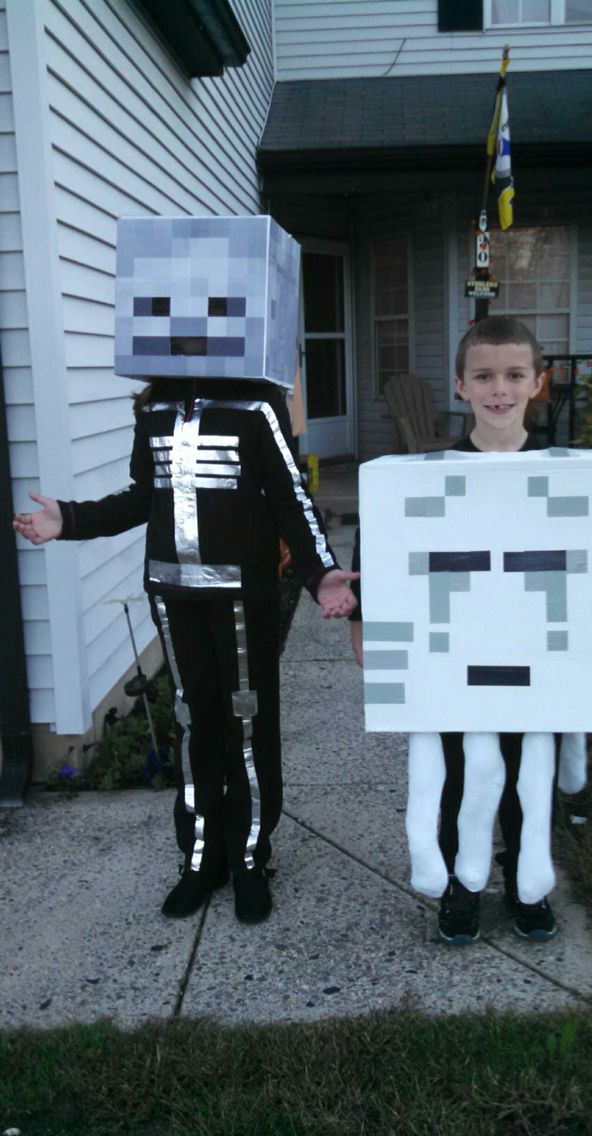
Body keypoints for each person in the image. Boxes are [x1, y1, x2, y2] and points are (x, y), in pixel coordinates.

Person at [14, 215, 358, 926]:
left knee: (248, 718)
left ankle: (253, 853)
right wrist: (68, 520)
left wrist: (323, 572)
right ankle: (202, 855)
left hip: (244, 595)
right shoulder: (155, 410)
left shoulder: (257, 408)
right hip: (172, 592)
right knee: (192, 719)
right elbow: (144, 496)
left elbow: (293, 496)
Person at [350, 316, 585, 945]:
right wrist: (362, 614)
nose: (499, 389)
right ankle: (461, 885)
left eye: (514, 375)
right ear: (460, 385)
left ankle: (522, 885)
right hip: (455, 654)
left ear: (540, 382)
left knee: (528, 772)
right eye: (484, 375)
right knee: (459, 772)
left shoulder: (574, 477)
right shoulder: (429, 476)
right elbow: (386, 542)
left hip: (541, 653)